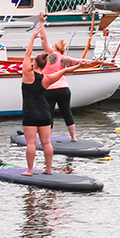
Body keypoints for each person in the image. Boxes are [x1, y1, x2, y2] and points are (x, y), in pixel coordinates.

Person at [21, 24, 86, 175]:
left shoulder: (27, 74)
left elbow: (27, 53)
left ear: (35, 63)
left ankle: (30, 170)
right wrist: (77, 66)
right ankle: (48, 169)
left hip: (30, 113)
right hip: (44, 113)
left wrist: (33, 37)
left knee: (31, 143)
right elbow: (64, 70)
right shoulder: (48, 78)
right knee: (46, 143)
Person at [37, 12, 101, 142]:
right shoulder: (66, 59)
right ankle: (73, 137)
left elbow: (43, 39)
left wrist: (42, 23)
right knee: (67, 113)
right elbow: (82, 62)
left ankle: (47, 139)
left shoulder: (50, 55)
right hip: (64, 89)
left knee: (48, 114)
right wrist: (96, 62)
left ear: (55, 47)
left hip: (49, 89)